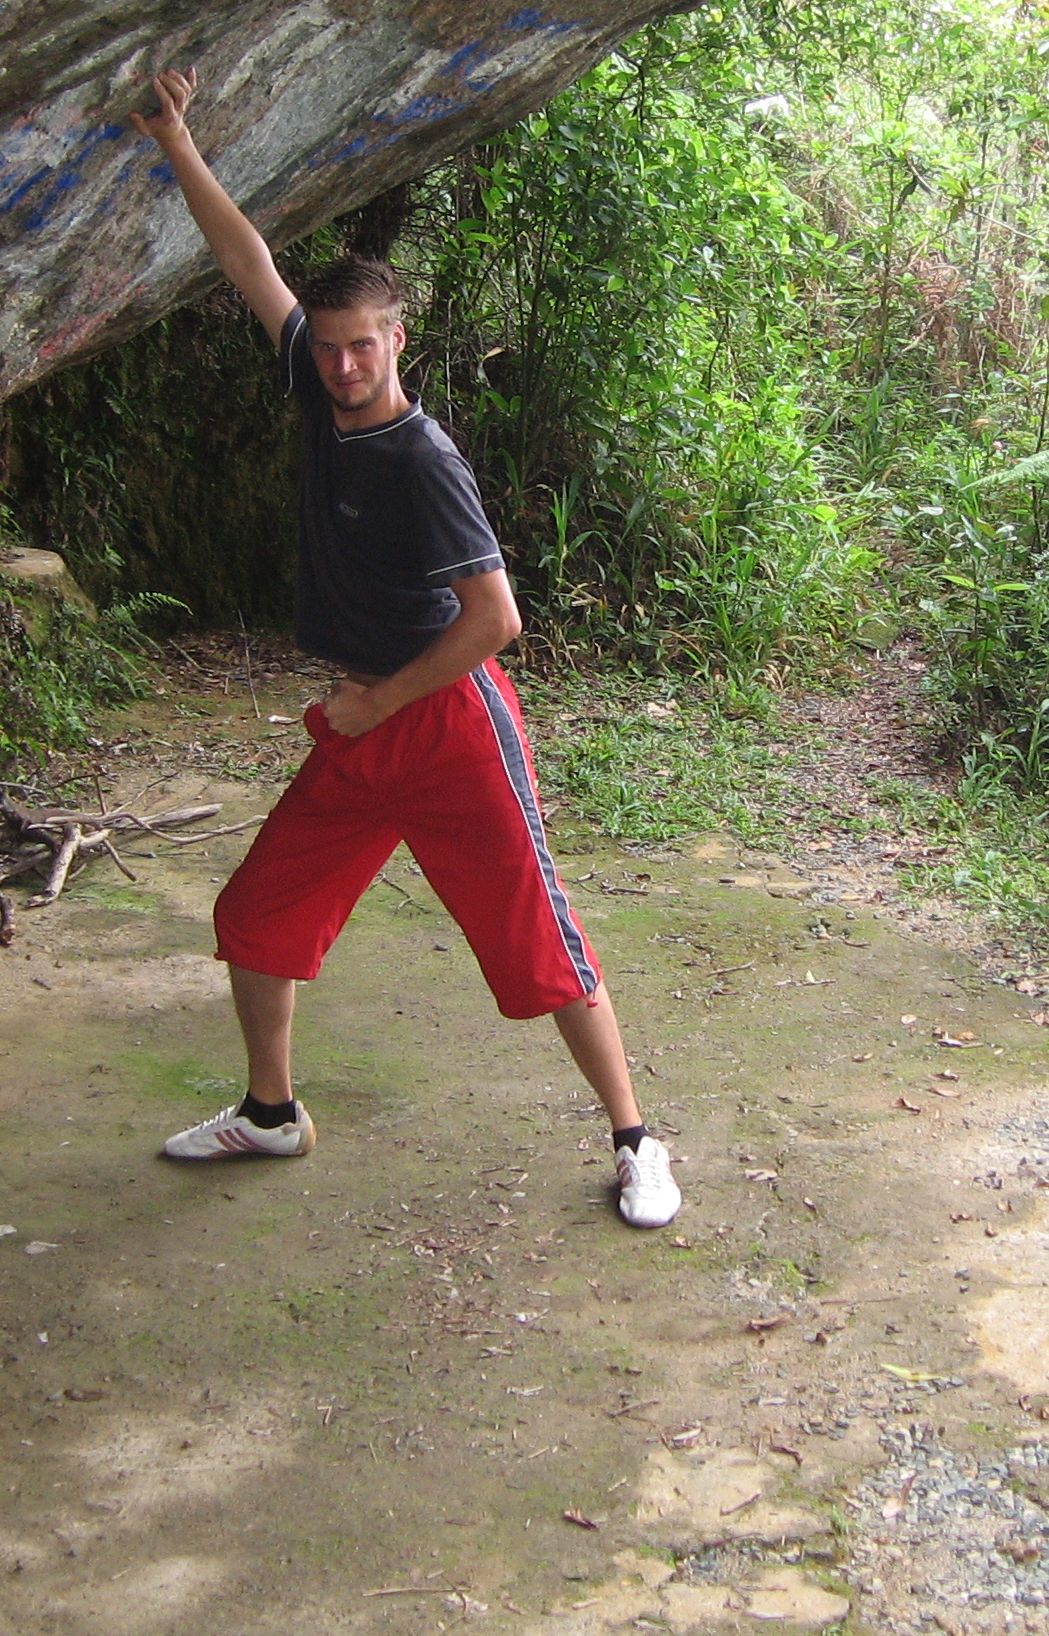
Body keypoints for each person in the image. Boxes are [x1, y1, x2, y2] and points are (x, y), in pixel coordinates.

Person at [122, 68, 683, 1229]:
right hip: (362, 723)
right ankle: (271, 1115)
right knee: (258, 913)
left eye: (360, 349)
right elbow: (248, 263)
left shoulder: (423, 462)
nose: (339, 367)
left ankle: (637, 1142)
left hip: (446, 721)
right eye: (325, 348)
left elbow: (497, 620)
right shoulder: (317, 388)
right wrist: (178, 140)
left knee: (538, 939)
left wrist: (383, 708)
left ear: (397, 341)